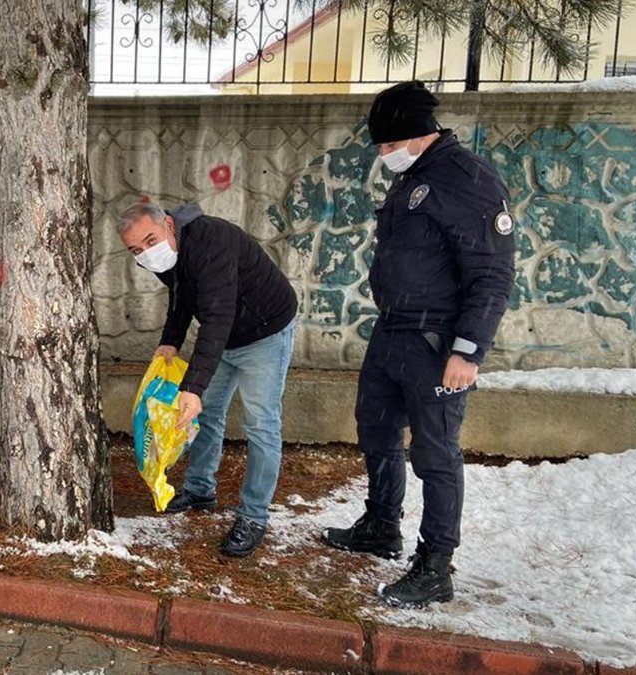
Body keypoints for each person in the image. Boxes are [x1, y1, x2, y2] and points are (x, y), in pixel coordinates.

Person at [320, 81, 516, 608]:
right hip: (394, 330)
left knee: (435, 453)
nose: (384, 155)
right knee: (375, 427)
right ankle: (382, 524)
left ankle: (435, 565)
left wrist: (468, 350)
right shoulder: (416, 175)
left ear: (420, 134)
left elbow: (492, 274)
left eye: (389, 145)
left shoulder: (467, 179)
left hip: (437, 341)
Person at [118, 201, 299, 558]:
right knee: (205, 416)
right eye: (136, 250)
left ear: (169, 224)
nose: (147, 254)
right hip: (224, 338)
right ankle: (200, 489)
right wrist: (170, 339)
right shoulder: (170, 252)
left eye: (151, 240)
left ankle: (254, 515)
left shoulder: (212, 241)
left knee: (261, 424)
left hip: (265, 331)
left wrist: (193, 387)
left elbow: (216, 315)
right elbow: (182, 294)